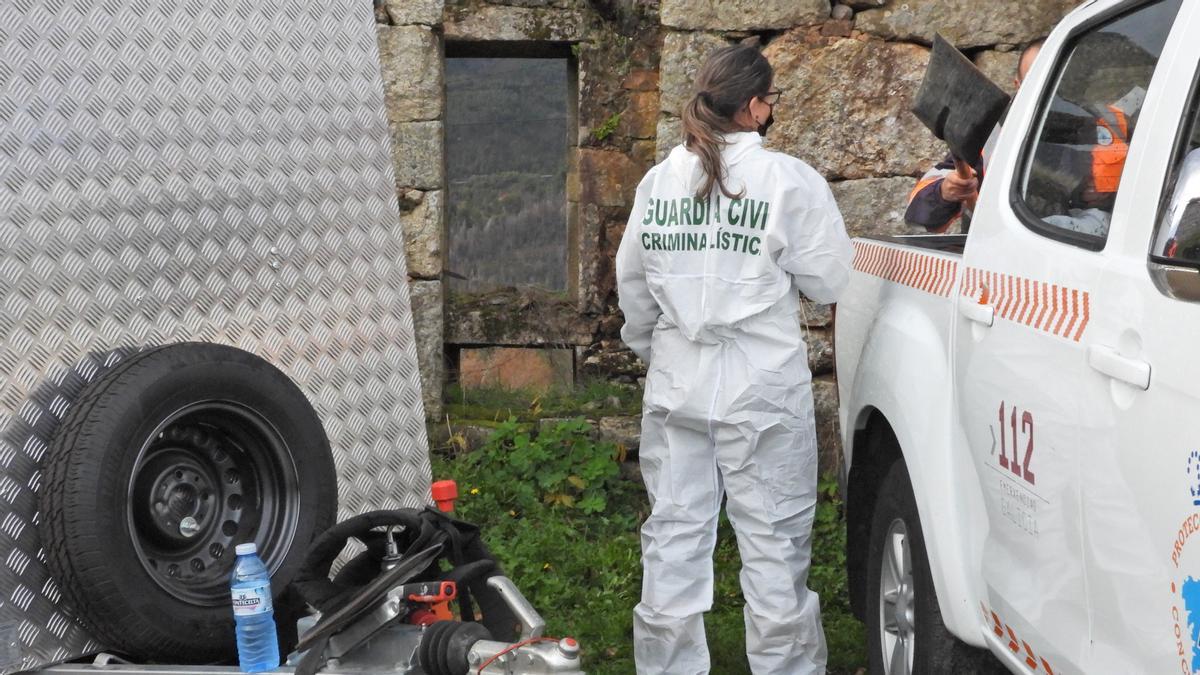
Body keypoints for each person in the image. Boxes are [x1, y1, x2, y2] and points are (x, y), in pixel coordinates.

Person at [615, 44, 853, 674]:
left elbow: (633, 285)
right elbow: (830, 280)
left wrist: (654, 350)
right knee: (775, 542)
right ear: (753, 107)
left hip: (677, 376)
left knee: (673, 537)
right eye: (770, 100)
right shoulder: (786, 180)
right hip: (761, 380)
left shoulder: (659, 180)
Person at [905, 40, 1044, 232]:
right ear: (1017, 86)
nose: (1041, 91)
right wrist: (945, 191)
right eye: (1033, 81)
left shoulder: (1096, 129)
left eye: (1049, 81)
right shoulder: (991, 130)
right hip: (997, 252)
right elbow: (919, 213)